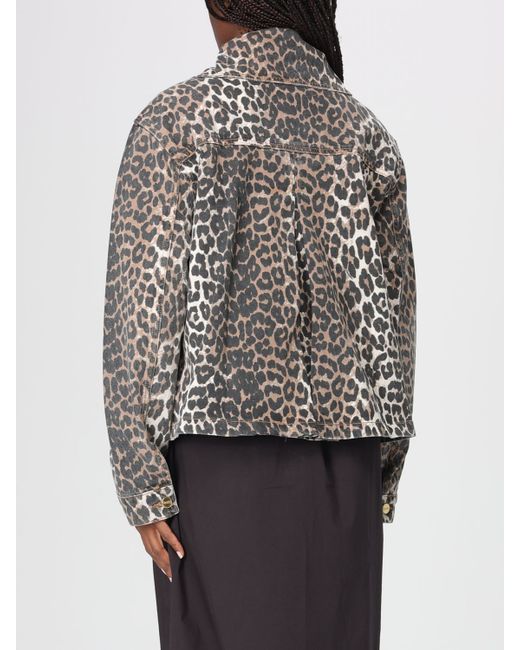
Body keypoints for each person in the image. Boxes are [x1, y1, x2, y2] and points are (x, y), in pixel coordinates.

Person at [103, 1, 417, 648]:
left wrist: (142, 480)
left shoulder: (176, 122)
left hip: (216, 465)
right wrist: (383, 467)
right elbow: (396, 315)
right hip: (346, 462)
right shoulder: (365, 135)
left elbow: (142, 312)